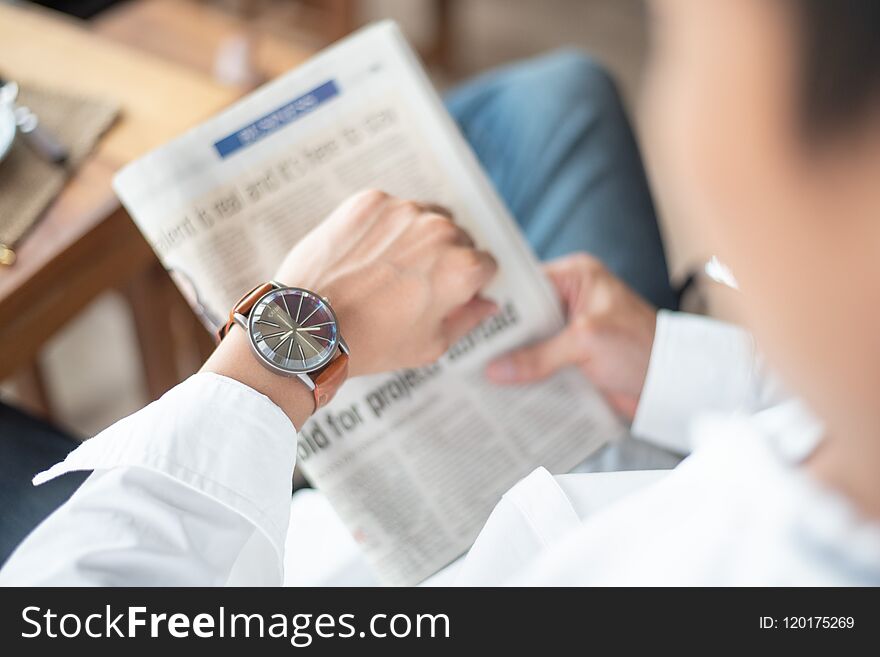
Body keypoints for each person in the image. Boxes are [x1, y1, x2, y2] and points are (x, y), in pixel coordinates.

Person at [2, 0, 880, 585]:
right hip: (651, 458)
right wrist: (680, 363)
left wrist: (293, 336)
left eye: (691, 47)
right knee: (558, 98)